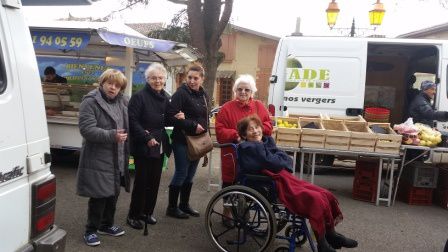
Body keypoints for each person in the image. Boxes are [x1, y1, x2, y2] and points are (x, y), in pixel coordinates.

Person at [236, 115, 358, 252]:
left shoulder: (266, 142)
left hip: (285, 178)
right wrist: (279, 161)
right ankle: (322, 243)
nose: (255, 131)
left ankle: (331, 234)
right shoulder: (248, 147)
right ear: (244, 134)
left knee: (325, 193)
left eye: (257, 127)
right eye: (250, 129)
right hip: (274, 183)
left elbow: (285, 160)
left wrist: (278, 161)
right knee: (315, 199)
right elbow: (274, 162)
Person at [76, 69, 130, 246]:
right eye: (110, 83)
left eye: (117, 85)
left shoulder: (122, 100)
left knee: (113, 192)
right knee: (99, 195)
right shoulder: (90, 101)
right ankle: (90, 230)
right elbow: (86, 129)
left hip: (118, 155)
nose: (113, 87)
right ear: (102, 83)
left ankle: (106, 225)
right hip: (98, 156)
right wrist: (112, 135)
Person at [126, 63, 183, 230]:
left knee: (154, 182)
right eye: (153, 78)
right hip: (144, 146)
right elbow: (132, 121)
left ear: (165, 79)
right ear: (147, 79)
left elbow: (167, 121)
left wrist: (177, 117)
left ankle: (147, 213)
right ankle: (133, 215)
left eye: (160, 78)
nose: (157, 81)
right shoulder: (139, 97)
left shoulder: (165, 97)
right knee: (142, 182)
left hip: (159, 145)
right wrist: (146, 137)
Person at [166, 62, 209, 219]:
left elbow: (204, 117)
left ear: (202, 79)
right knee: (181, 172)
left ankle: (184, 205)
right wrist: (191, 124)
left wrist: (204, 130)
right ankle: (171, 207)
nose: (192, 81)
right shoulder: (180, 94)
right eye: (189, 77)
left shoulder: (204, 95)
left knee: (190, 174)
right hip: (182, 140)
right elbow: (170, 117)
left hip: (198, 140)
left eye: (195, 78)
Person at [215, 74, 273, 188]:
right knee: (230, 184)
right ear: (235, 91)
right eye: (239, 89)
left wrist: (255, 131)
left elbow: (268, 126)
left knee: (254, 184)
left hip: (255, 155)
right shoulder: (226, 108)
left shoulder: (259, 106)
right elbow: (219, 131)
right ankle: (228, 206)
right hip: (233, 154)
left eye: (247, 89)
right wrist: (236, 134)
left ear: (252, 92)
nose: (243, 92)